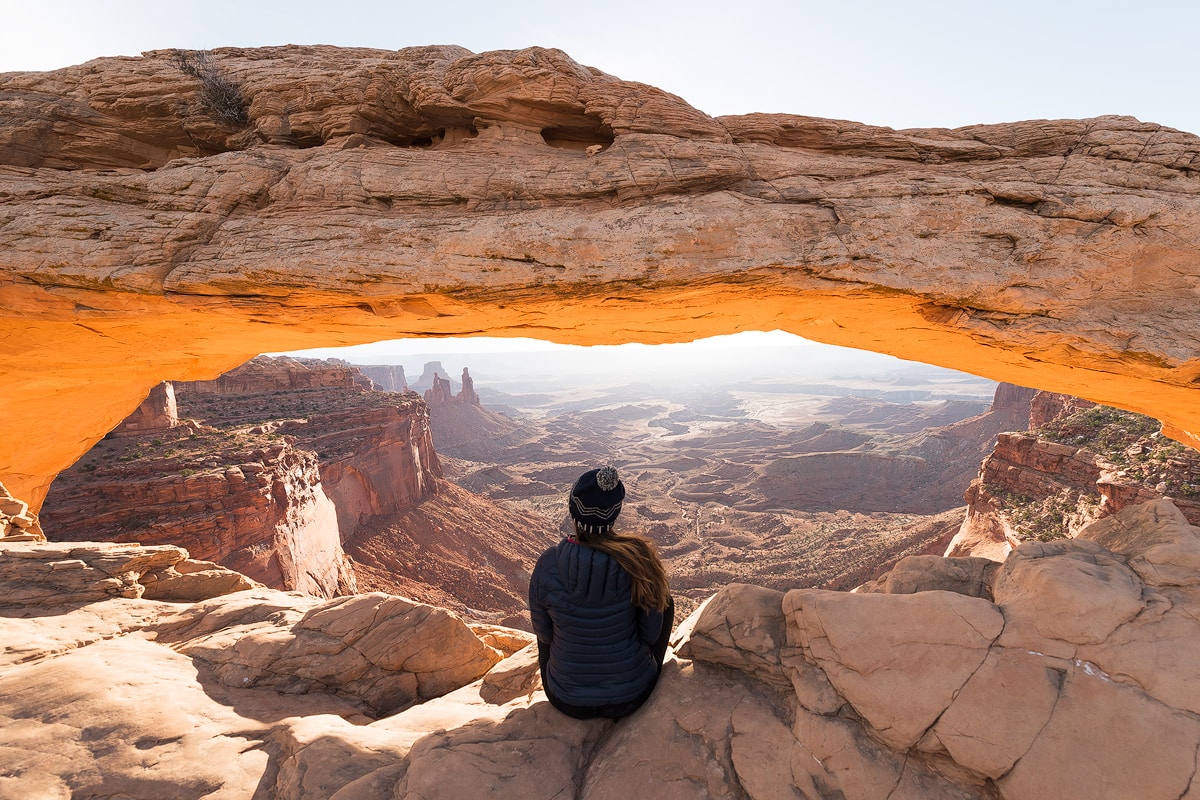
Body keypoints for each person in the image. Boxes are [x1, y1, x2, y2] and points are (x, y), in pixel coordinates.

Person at [528, 465, 675, 719]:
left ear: (573, 511)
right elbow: (651, 634)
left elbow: (545, 634)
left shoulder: (548, 563)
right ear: (614, 514)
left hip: (566, 699)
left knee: (546, 632)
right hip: (632, 696)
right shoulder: (638, 562)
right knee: (666, 602)